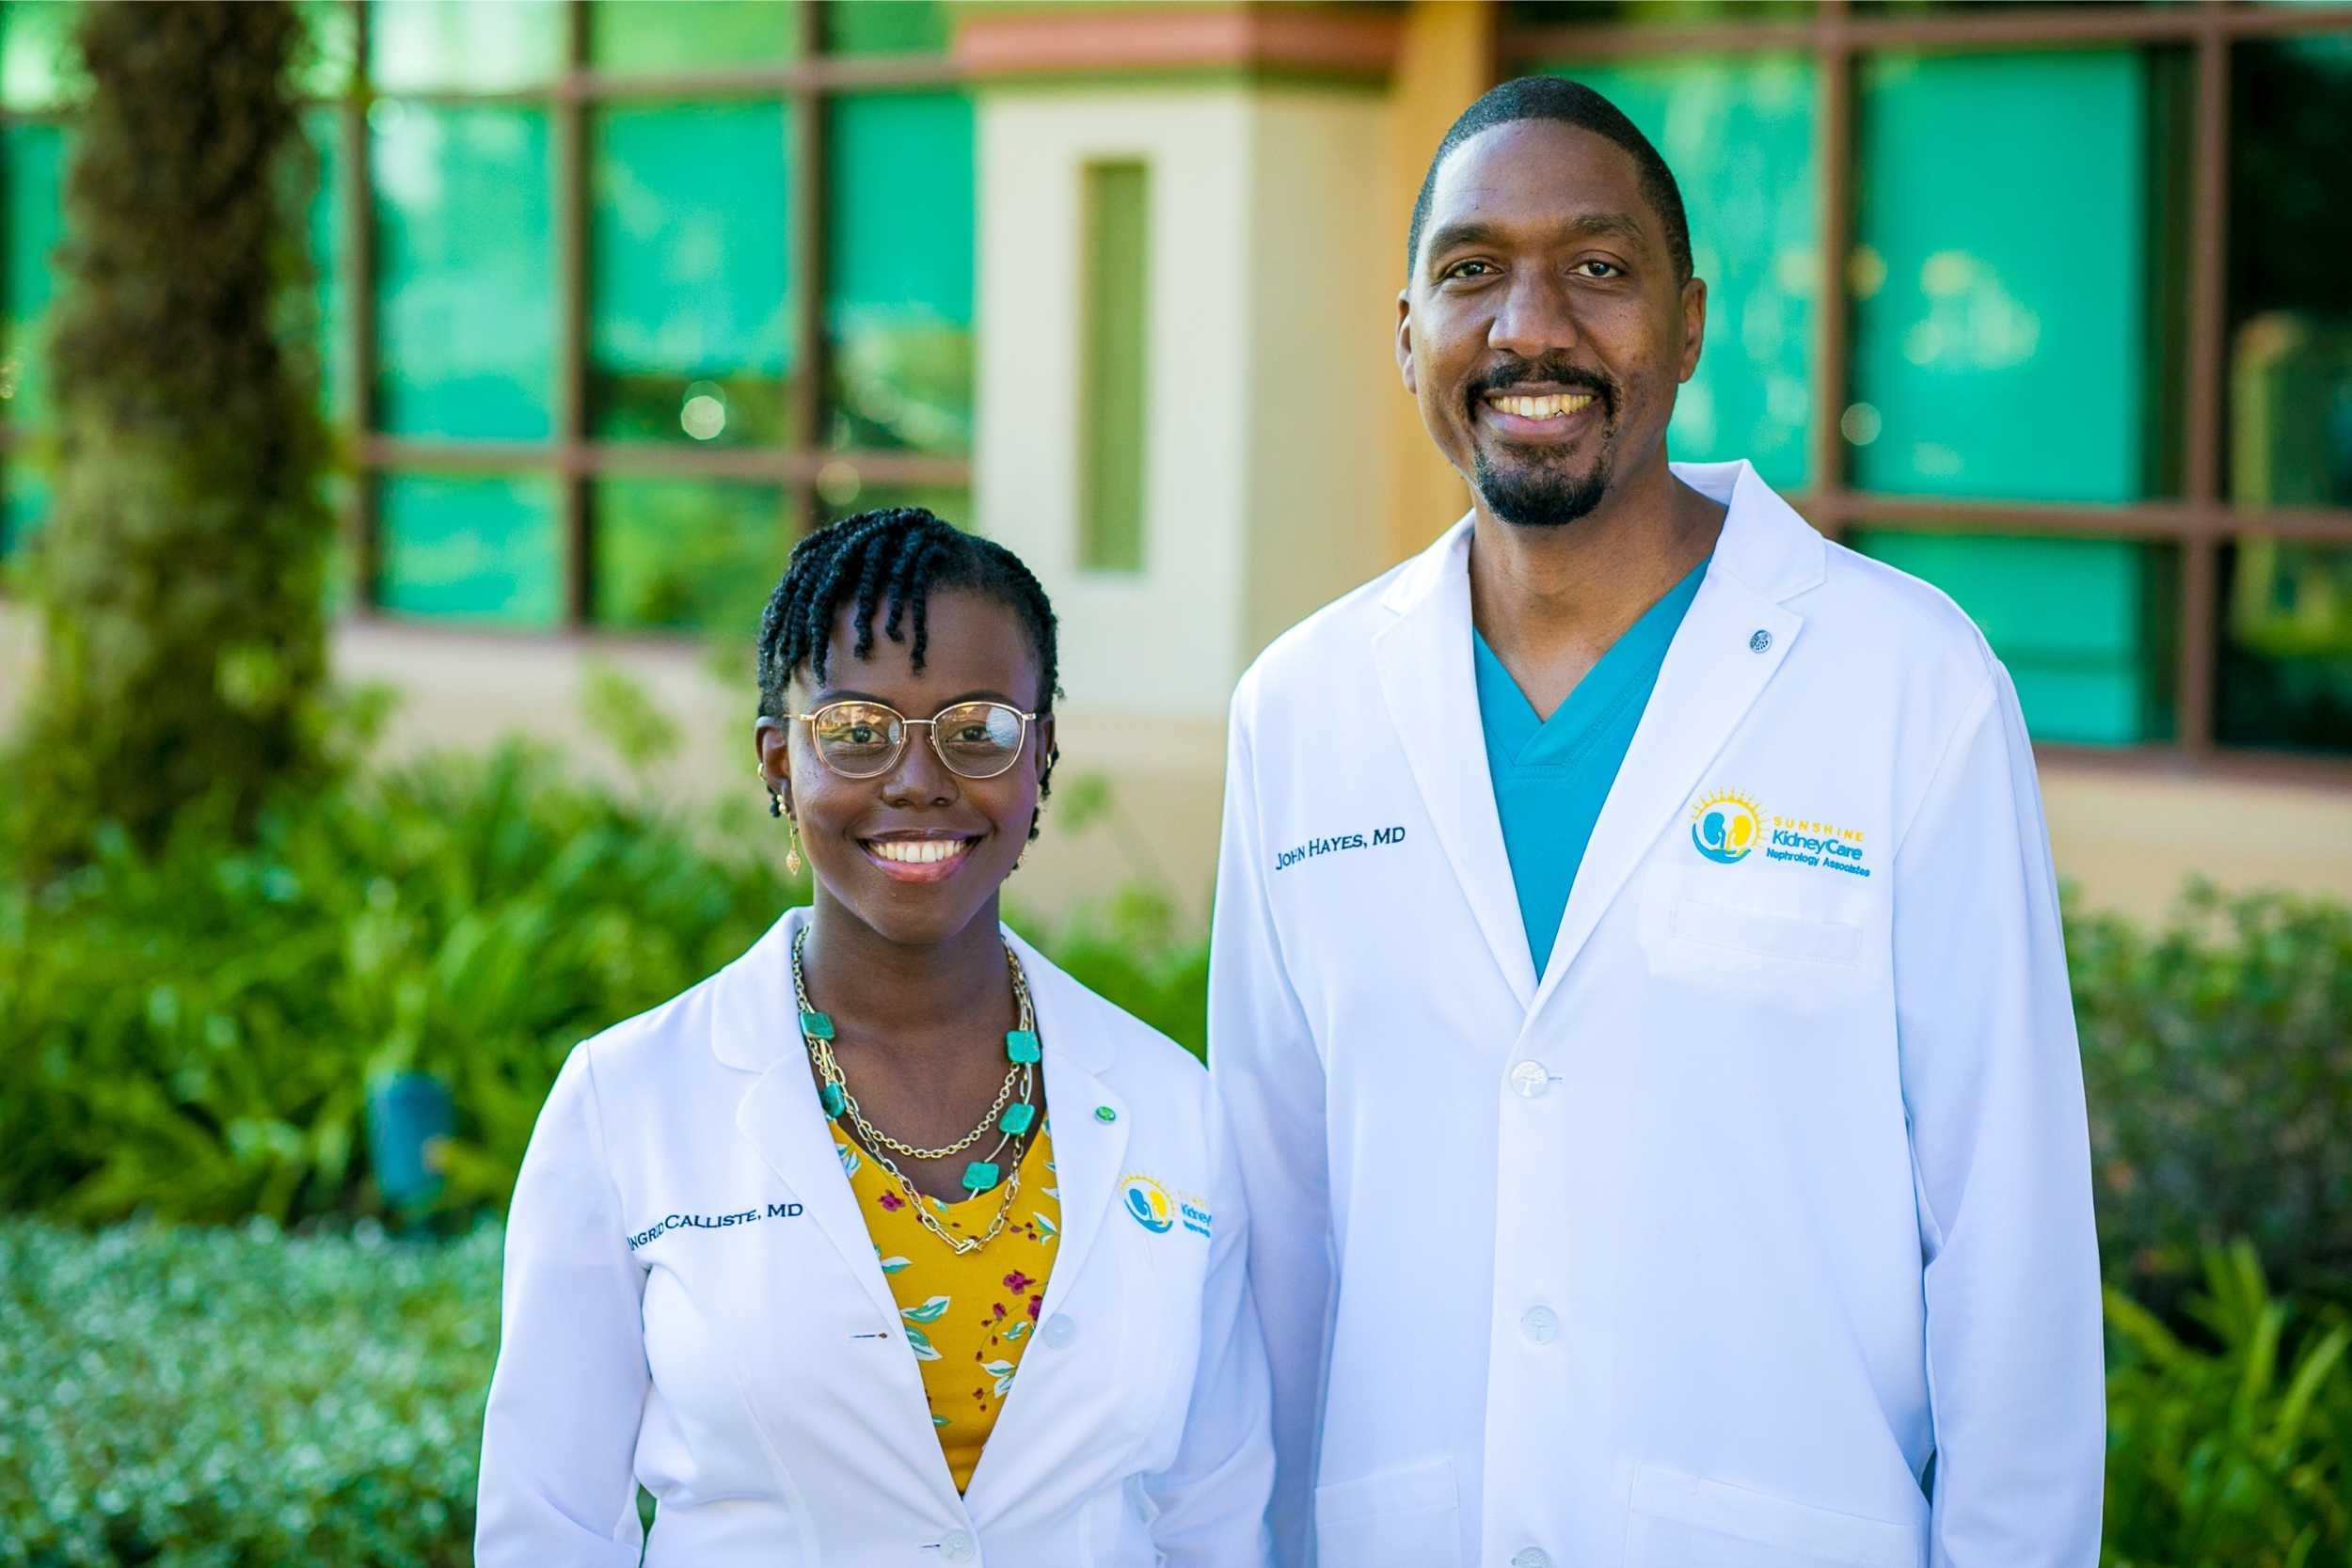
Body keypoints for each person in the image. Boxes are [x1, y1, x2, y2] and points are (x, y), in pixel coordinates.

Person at [1209, 76, 2103, 1568]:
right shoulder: (1299, 710)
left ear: (1688, 321)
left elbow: (2008, 1235)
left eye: (1598, 268)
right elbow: (1272, 1230)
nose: (1531, 326)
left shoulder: (1906, 678)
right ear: (1407, 333)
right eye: (1473, 270)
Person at [479, 507, 1274, 1566]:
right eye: (856, 729)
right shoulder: (624, 1102)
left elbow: (1213, 1523)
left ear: (1039, 758)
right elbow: (550, 1527)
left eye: (977, 728)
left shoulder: (1175, 1106)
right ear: (776, 760)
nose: (916, 780)